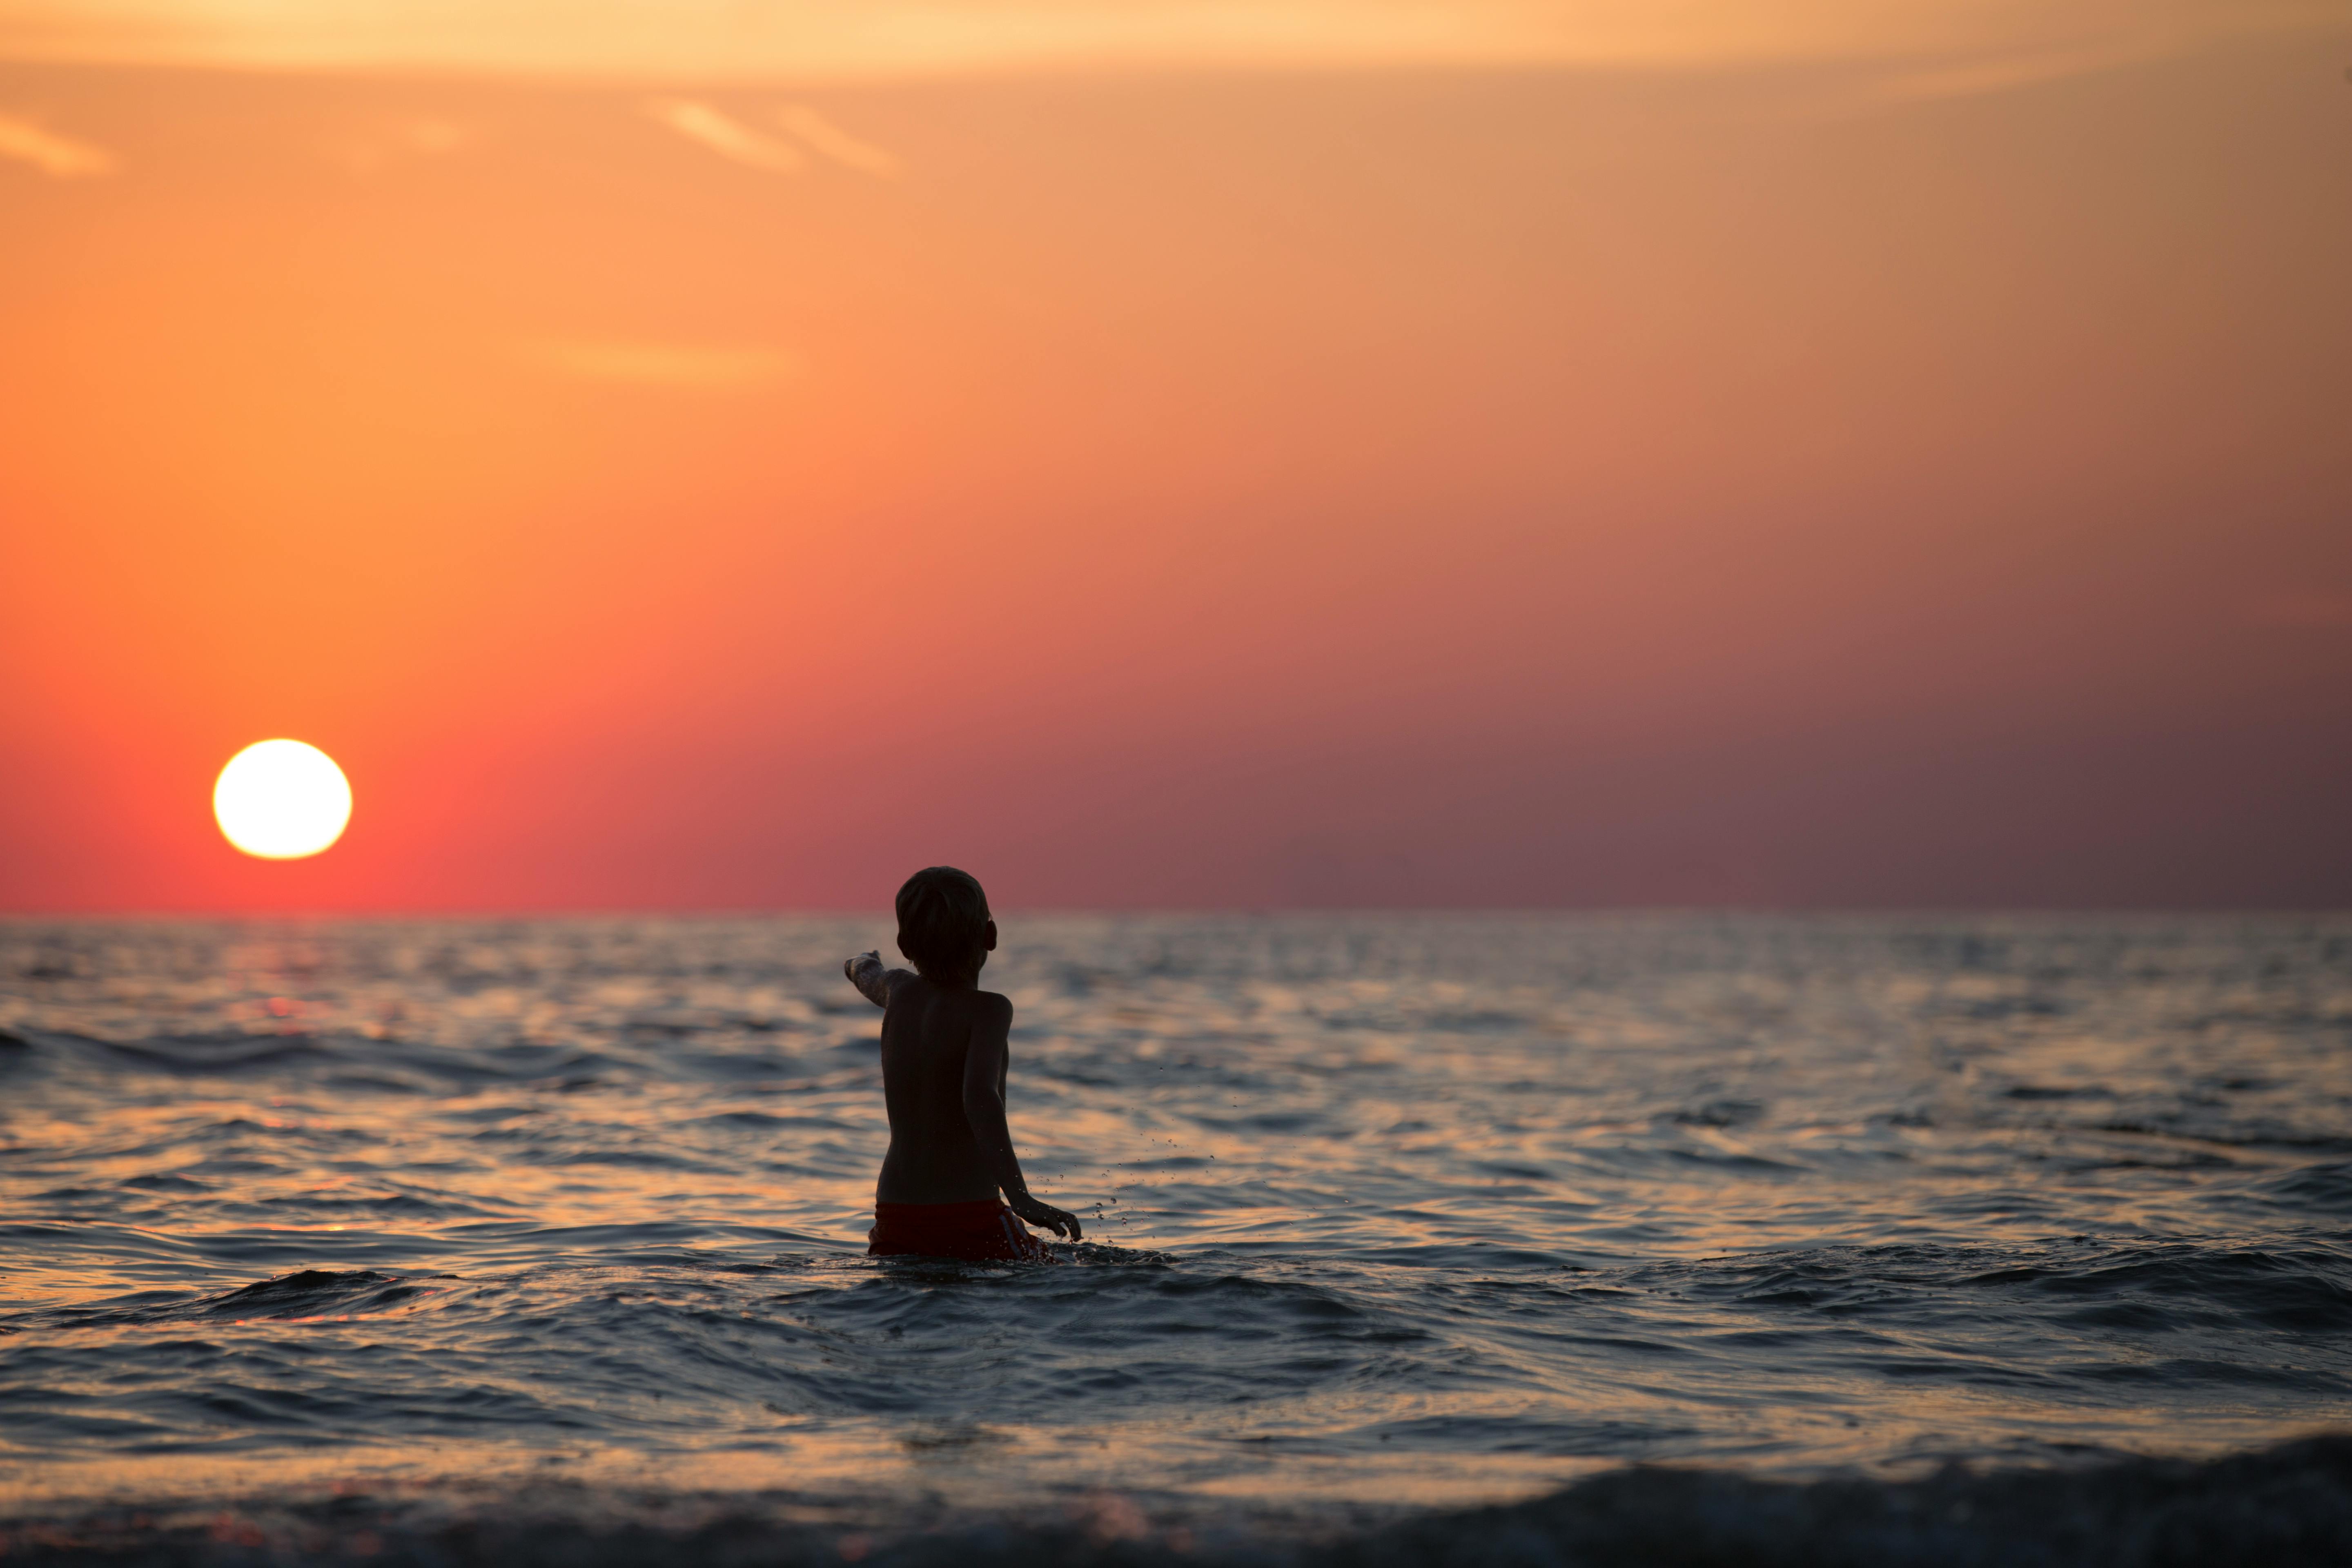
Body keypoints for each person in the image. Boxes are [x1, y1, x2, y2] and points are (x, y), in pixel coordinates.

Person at [846, 866, 1082, 1261]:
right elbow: (978, 1096)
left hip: (896, 1216)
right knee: (1065, 1270)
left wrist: (861, 960)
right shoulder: (989, 1011)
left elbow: (863, 971)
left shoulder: (897, 991)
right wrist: (1021, 1199)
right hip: (970, 1217)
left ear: (905, 945)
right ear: (990, 936)